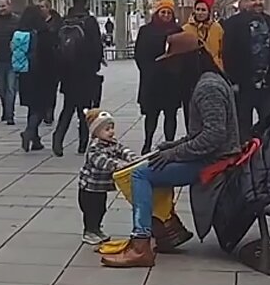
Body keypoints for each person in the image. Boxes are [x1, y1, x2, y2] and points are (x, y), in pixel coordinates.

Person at [102, 32, 240, 268]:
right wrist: (174, 145)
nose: (172, 70)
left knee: (140, 174)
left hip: (215, 160)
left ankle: (141, 244)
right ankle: (167, 231)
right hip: (212, 155)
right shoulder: (207, 81)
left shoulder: (207, 87)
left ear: (189, 61)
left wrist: (173, 154)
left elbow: (213, 137)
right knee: (151, 165)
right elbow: (204, 133)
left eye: (175, 63)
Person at [222, 0, 270, 138]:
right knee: (243, 129)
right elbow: (227, 54)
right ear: (246, 1)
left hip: (267, 87)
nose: (257, 2)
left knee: (268, 128)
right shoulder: (233, 24)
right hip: (244, 87)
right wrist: (232, 81)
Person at [52, 0, 104, 156]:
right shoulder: (89, 22)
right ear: (87, 2)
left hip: (68, 73)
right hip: (85, 72)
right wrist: (96, 65)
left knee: (68, 107)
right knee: (84, 110)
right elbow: (97, 47)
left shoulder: (65, 21)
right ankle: (82, 144)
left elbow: (57, 47)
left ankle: (58, 138)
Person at [78, 109, 139, 245]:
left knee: (101, 208)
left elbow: (122, 150)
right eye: (107, 129)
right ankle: (89, 231)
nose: (111, 132)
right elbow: (102, 161)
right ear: (96, 132)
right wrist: (118, 165)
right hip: (89, 187)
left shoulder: (112, 143)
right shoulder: (95, 147)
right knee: (91, 210)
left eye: (112, 128)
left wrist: (133, 158)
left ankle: (96, 229)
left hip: (101, 187)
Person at [135, 0, 184, 154]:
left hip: (172, 81)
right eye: (163, 12)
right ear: (157, 12)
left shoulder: (178, 31)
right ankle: (147, 142)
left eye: (168, 12)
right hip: (152, 80)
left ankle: (169, 144)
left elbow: (182, 54)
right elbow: (139, 54)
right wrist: (148, 69)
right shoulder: (146, 31)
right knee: (151, 115)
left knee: (170, 115)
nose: (165, 15)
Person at [14, 4, 59, 152]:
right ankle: (29, 131)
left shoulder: (20, 32)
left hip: (25, 73)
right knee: (41, 106)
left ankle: (35, 139)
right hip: (42, 74)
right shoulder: (43, 33)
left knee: (32, 107)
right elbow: (50, 56)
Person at [37, 0, 62, 125]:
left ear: (48, 8)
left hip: (53, 60)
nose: (40, 9)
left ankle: (49, 112)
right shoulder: (36, 21)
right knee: (41, 88)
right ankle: (42, 110)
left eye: (42, 7)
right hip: (39, 60)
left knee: (52, 88)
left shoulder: (57, 21)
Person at [183, 0, 225, 73]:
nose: (200, 13)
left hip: (215, 70)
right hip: (192, 70)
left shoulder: (217, 28)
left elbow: (223, 51)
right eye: (197, 9)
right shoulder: (186, 29)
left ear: (208, 12)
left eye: (203, 10)